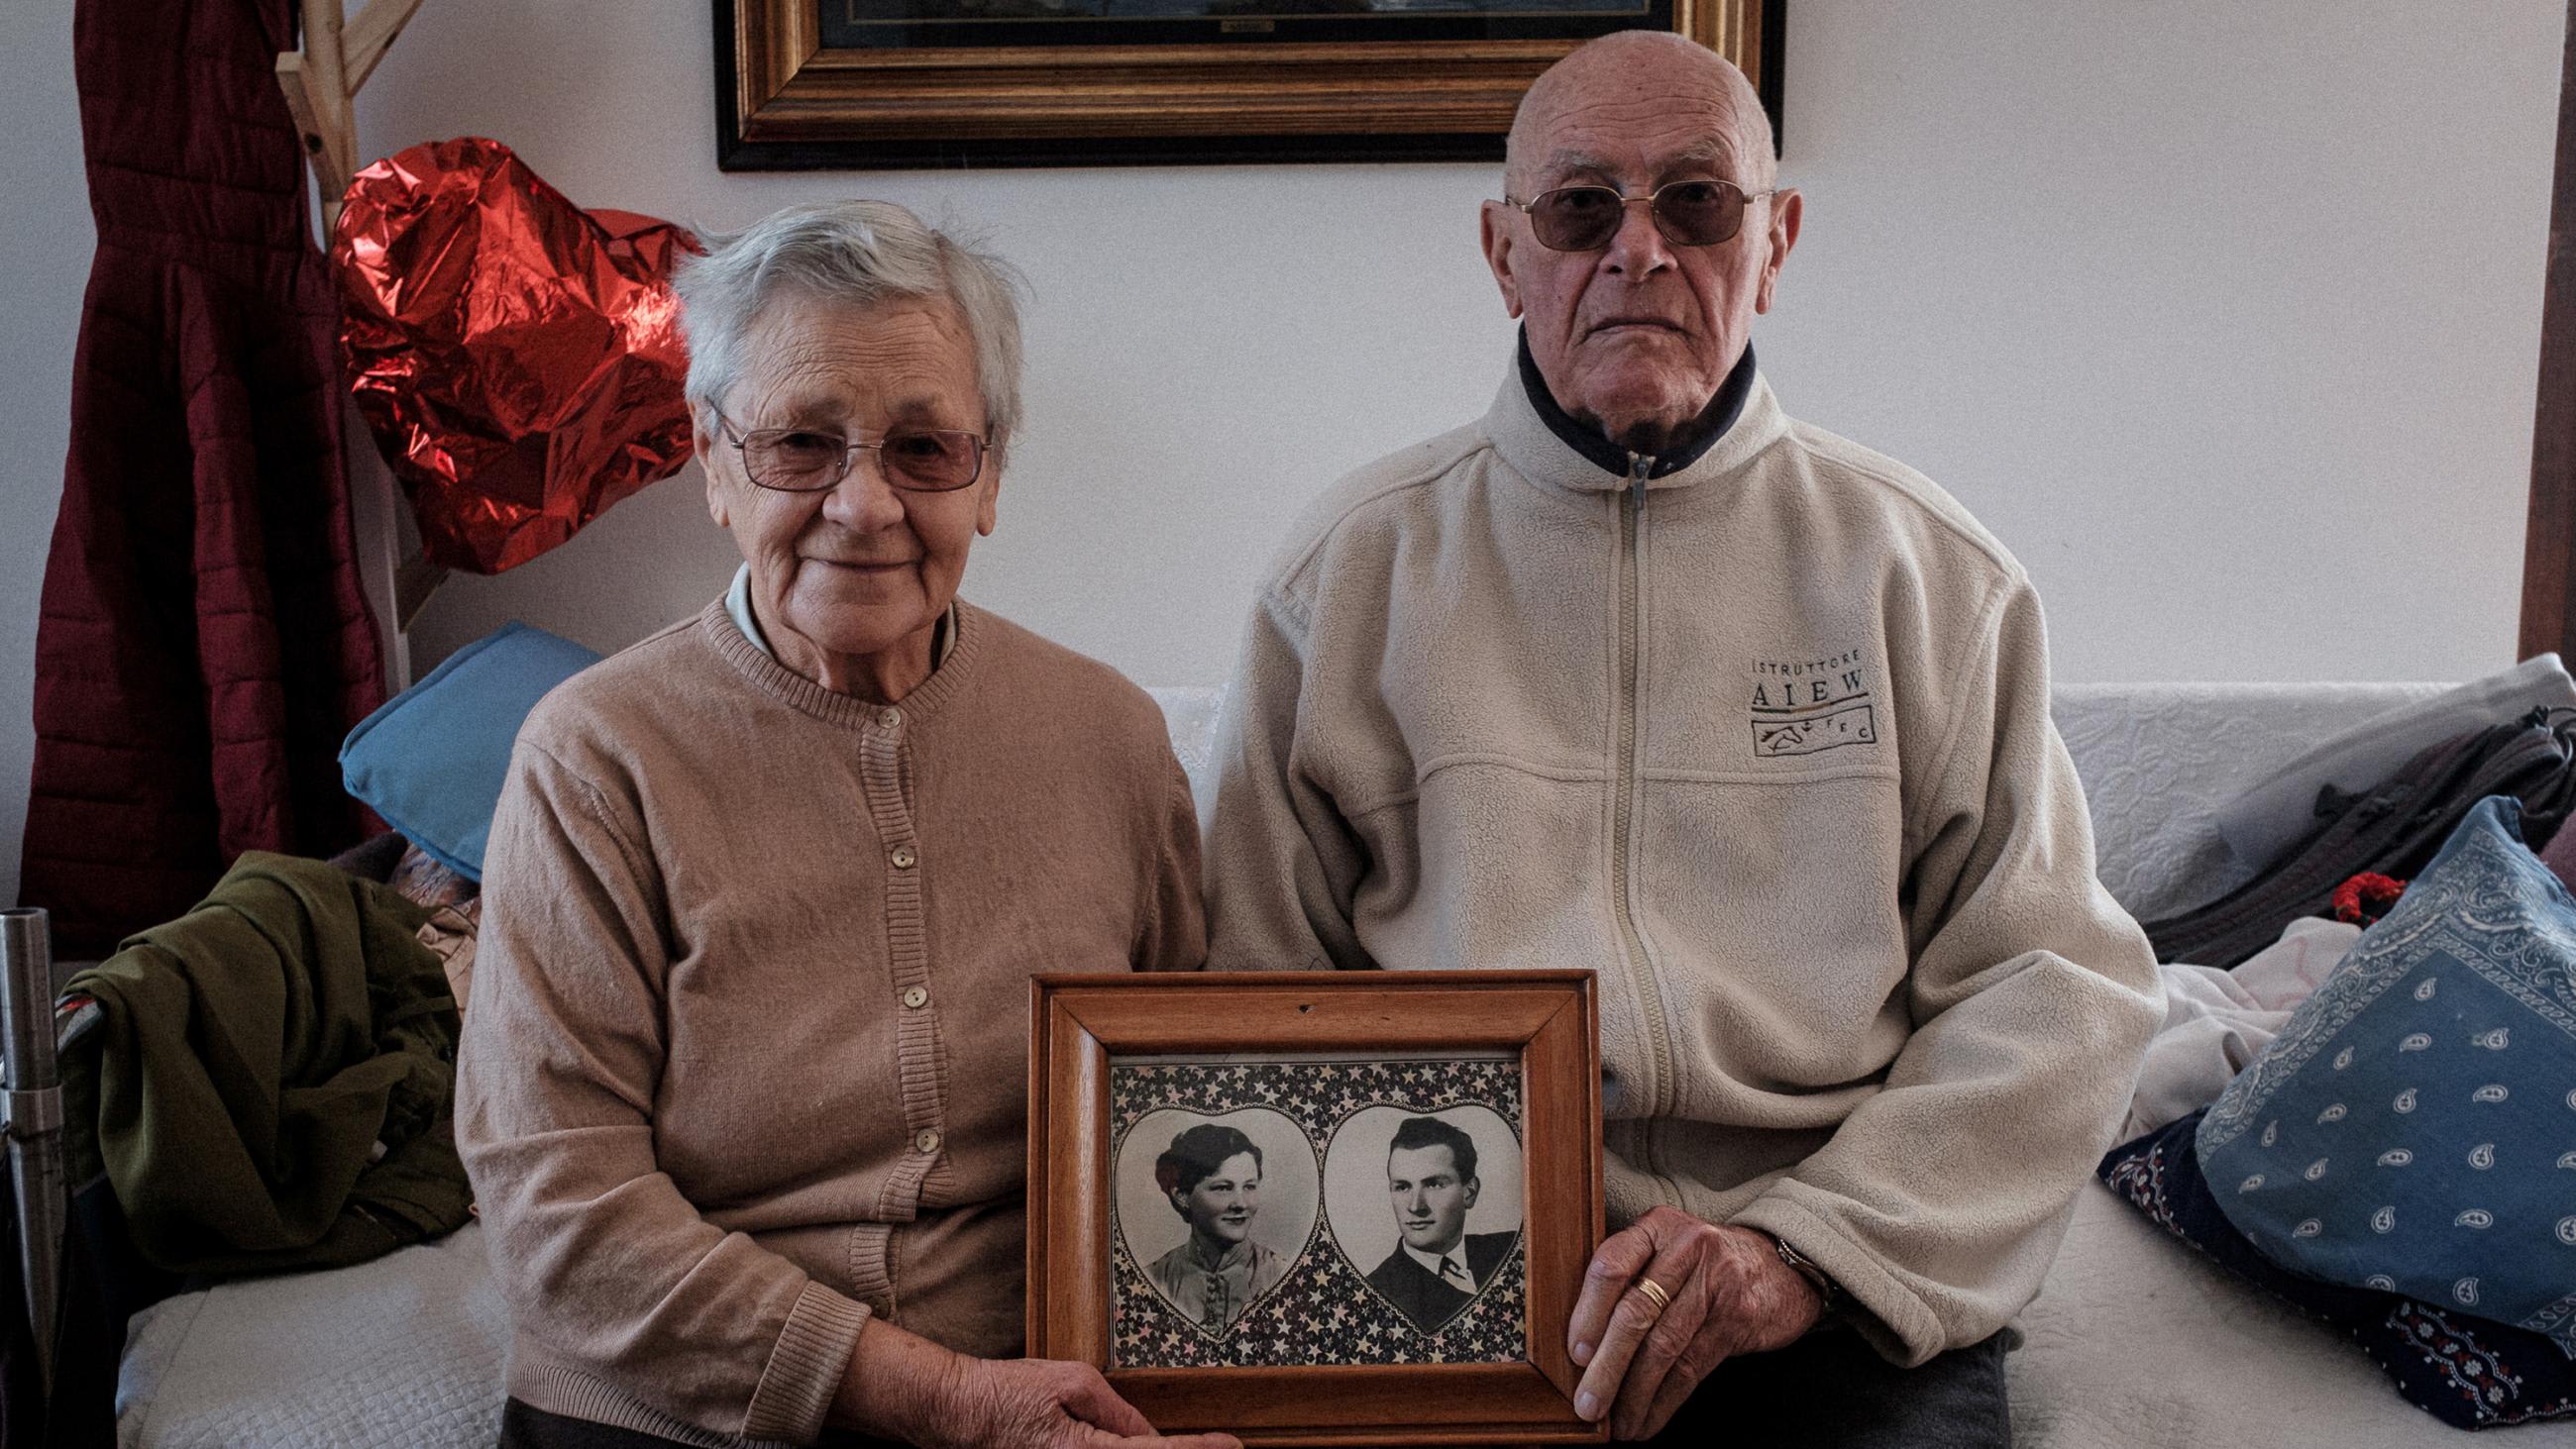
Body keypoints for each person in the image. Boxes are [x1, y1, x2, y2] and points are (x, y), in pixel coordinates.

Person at [1199, 31, 2163, 1447]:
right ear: (1504, 251)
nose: (1638, 252)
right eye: (1582, 207)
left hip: (1826, 1284)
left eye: (1697, 204)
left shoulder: (1930, 574)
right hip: (1460, 1282)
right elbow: (1250, 978)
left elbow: (2057, 979)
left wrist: (1799, 1254)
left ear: (1773, 244)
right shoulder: (1348, 573)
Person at [457, 201, 1234, 1449]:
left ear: (988, 480)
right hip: (679, 1407)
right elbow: (561, 1207)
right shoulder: (594, 754)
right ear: (712, 462)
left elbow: (1193, 1102)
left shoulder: (1111, 739)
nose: (864, 505)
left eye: (924, 449)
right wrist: (938, 1396)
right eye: (801, 444)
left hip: (1037, 1387)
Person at [1361, 1116, 1517, 1333]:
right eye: (1402, 1187)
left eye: (1433, 1184)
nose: (1415, 1206)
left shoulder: (1513, 1250)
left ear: (1469, 1192)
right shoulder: (1374, 1295)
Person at [1144, 1124, 1291, 1330]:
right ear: (1182, 1196)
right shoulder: (1153, 1279)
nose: (1241, 1203)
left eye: (1249, 1187)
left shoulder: (1284, 1276)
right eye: (1223, 1188)